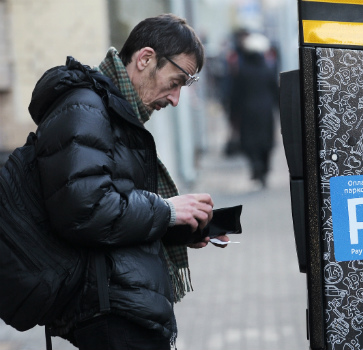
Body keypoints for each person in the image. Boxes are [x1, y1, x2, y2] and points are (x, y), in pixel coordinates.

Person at [27, 14, 228, 350]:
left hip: (125, 305)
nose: (176, 99)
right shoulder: (86, 109)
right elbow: (84, 209)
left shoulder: (114, 114)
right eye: (176, 81)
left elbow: (117, 204)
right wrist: (166, 211)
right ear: (145, 58)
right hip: (111, 312)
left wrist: (182, 227)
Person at [228, 32, 278, 187]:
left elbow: (235, 94)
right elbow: (275, 91)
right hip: (266, 109)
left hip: (247, 110)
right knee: (266, 141)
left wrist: (232, 113)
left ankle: (256, 165)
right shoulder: (267, 69)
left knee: (250, 141)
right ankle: (264, 169)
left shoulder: (241, 72)